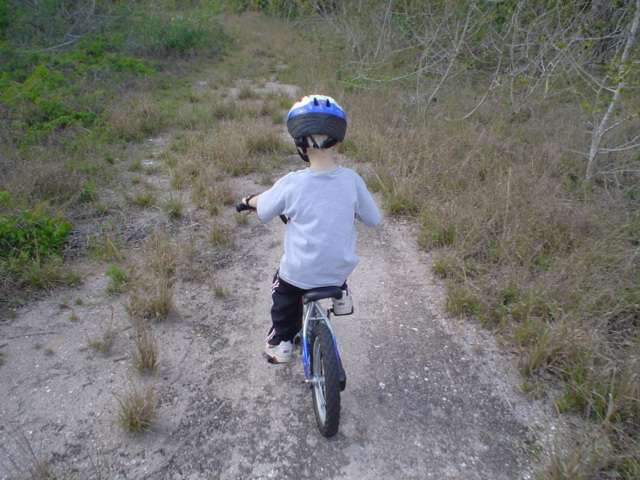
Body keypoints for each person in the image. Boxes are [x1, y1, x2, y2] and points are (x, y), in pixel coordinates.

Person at [240, 94, 381, 363]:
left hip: (300, 274)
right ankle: (341, 296)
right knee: (334, 253)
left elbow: (266, 210)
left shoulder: (291, 183)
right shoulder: (352, 180)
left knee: (282, 289)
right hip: (338, 269)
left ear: (299, 143)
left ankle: (281, 342)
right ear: (338, 140)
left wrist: (249, 201)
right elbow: (373, 219)